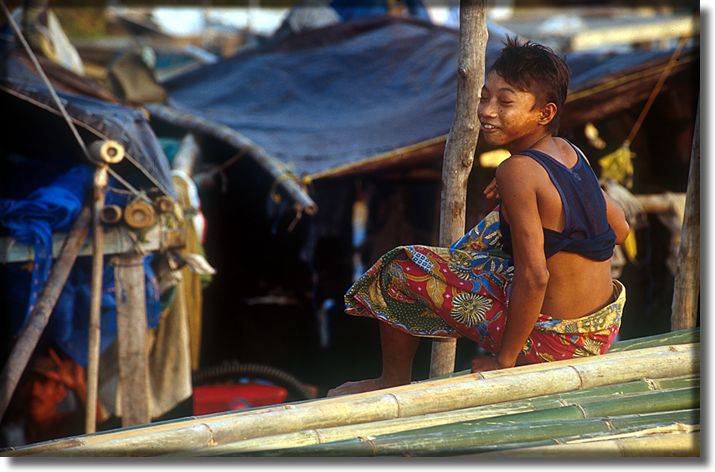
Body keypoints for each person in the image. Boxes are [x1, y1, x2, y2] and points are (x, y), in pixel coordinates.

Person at [327, 37, 630, 397]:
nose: (487, 111)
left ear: (544, 114)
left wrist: (505, 362)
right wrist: (530, 204)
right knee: (490, 229)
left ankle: (392, 380)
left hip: (554, 342)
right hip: (598, 330)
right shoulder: (568, 151)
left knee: (398, 269)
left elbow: (534, 277)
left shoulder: (517, 171)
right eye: (485, 97)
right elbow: (620, 228)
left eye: (505, 103)